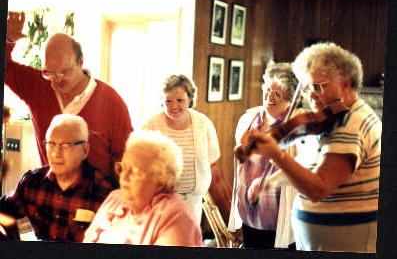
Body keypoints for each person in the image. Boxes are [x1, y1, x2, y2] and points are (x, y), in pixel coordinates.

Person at [238, 42, 381, 252]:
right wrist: (270, 181)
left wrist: (276, 154)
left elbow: (318, 188)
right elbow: (309, 165)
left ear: (346, 84)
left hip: (344, 243)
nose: (310, 95)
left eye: (318, 86)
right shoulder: (331, 119)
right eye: (306, 88)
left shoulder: (351, 124)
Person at [5, 12, 133, 180]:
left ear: (80, 61)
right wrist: (7, 40)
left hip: (97, 199)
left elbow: (125, 158)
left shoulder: (111, 101)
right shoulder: (37, 87)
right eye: (50, 73)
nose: (57, 79)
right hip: (50, 194)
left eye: (65, 72)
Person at [0, 114, 116, 242]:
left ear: (85, 150)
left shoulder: (106, 191)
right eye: (51, 144)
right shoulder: (32, 182)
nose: (56, 153)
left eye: (65, 146)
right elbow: (5, 209)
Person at [83, 130, 203, 246]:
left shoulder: (177, 218)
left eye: (135, 172)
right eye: (123, 168)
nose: (124, 178)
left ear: (161, 180)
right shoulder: (115, 199)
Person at [142, 74, 232, 225]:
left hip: (193, 203)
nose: (174, 106)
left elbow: (215, 167)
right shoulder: (151, 125)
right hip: (159, 204)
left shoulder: (203, 123)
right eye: (168, 101)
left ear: (190, 99)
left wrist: (229, 214)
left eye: (180, 100)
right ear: (161, 102)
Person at [229, 62, 299, 249]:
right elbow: (241, 169)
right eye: (268, 89)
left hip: (280, 223)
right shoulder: (248, 120)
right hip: (249, 218)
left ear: (290, 98)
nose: (270, 96)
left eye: (278, 94)